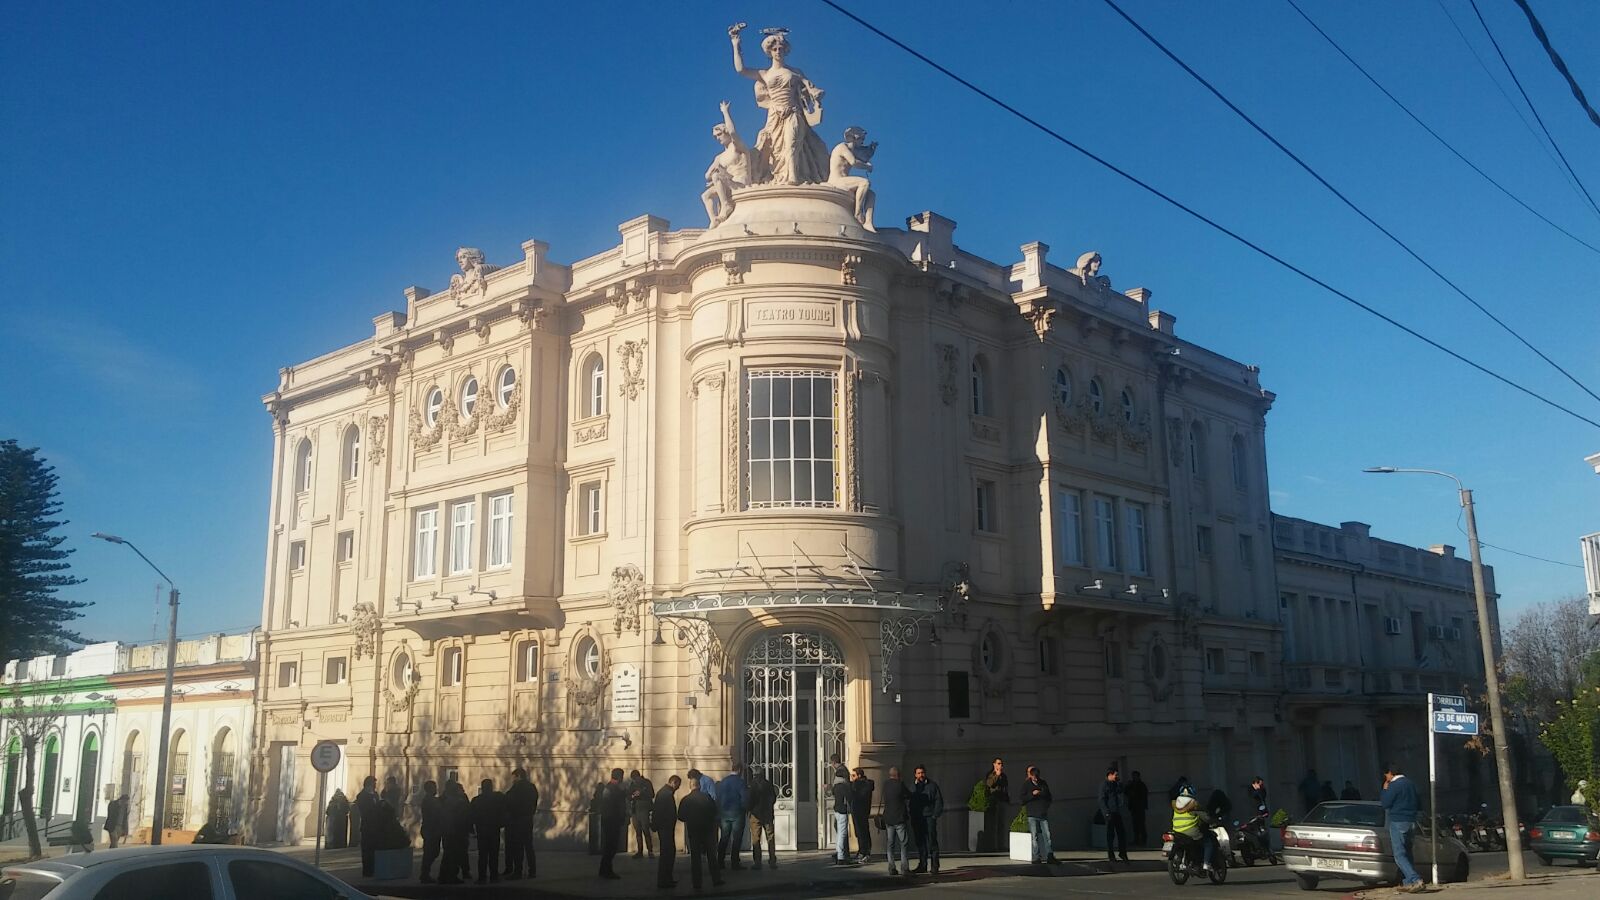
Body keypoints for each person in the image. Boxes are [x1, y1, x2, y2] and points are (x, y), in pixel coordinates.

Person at [728, 23, 828, 185]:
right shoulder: (764, 73)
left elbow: (810, 88)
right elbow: (741, 70)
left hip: (793, 111)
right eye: (774, 49)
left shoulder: (795, 72)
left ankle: (793, 177)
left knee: (792, 143)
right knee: (775, 148)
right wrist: (735, 43)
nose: (778, 51)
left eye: (781, 48)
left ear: (785, 50)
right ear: (769, 52)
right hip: (774, 114)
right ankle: (776, 175)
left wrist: (816, 94)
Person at [1381, 762, 1424, 893]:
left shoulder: (1394, 785)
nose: (1385, 777)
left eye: (1386, 775)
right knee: (1408, 852)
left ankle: (1415, 879)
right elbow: (1419, 802)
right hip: (1412, 821)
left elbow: (1385, 803)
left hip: (1398, 821)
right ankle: (1409, 882)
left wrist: (1384, 789)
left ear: (1390, 773)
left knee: (1399, 854)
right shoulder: (1410, 783)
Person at [826, 126, 878, 231]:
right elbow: (853, 162)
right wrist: (868, 166)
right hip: (836, 181)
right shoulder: (842, 147)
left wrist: (871, 149)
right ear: (854, 137)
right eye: (861, 139)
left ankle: (868, 222)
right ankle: (858, 214)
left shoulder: (852, 150)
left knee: (871, 194)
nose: (862, 142)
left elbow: (863, 156)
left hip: (844, 182)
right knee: (864, 182)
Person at [678, 774, 724, 889]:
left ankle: (697, 883)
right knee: (711, 856)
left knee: (695, 858)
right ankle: (716, 879)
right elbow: (714, 812)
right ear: (699, 786)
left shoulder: (686, 799)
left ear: (691, 786)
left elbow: (681, 816)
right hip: (708, 830)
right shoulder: (707, 798)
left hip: (694, 832)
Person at [1170, 786, 1219, 871]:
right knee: (1208, 843)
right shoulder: (1193, 805)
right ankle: (1206, 864)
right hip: (1191, 832)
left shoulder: (1176, 805)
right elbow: (1206, 818)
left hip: (1177, 831)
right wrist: (1214, 821)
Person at [503, 767, 538, 880]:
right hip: (528, 819)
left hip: (517, 820)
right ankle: (532, 871)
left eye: (513, 778)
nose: (512, 780)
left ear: (518, 776)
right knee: (528, 846)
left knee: (518, 847)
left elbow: (509, 800)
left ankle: (518, 871)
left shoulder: (517, 787)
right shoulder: (532, 787)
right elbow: (534, 802)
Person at [470, 778, 506, 884]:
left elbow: (471, 815)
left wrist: (472, 828)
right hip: (494, 829)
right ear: (491, 787)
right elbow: (504, 811)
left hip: (482, 830)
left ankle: (482, 877)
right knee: (493, 854)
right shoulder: (498, 798)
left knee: (483, 855)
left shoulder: (477, 800)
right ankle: (494, 876)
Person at [909, 765, 943, 874]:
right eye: (918, 773)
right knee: (920, 842)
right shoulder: (913, 787)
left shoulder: (932, 786)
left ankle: (935, 865)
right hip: (917, 818)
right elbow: (910, 803)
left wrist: (934, 815)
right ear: (915, 775)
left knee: (932, 841)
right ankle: (922, 865)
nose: (921, 775)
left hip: (929, 817)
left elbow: (938, 800)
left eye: (922, 773)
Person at [1022, 766, 1059, 864]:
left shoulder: (1043, 784)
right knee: (1034, 836)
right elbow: (1022, 798)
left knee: (1047, 835)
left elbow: (1048, 796)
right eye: (1034, 777)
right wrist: (1032, 794)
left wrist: (1044, 802)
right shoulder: (1026, 785)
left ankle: (1050, 856)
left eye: (1037, 777)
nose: (1036, 779)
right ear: (1030, 776)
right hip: (1032, 814)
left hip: (1042, 813)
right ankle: (1036, 856)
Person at [715, 763, 748, 870]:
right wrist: (745, 809)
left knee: (724, 837)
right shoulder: (740, 782)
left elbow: (718, 797)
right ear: (739, 770)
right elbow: (744, 798)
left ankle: (720, 861)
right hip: (737, 813)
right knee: (737, 838)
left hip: (724, 813)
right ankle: (734, 862)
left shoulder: (723, 782)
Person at [440, 781, 472, 885]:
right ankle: (450, 875)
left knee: (453, 854)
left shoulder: (454, 799)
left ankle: (446, 875)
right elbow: (461, 814)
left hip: (455, 830)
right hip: (454, 831)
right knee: (452, 854)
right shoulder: (452, 801)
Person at [598, 768, 627, 879]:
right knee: (611, 847)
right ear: (620, 777)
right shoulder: (613, 789)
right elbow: (614, 807)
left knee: (609, 847)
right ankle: (607, 871)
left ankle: (604, 869)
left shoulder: (609, 788)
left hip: (608, 821)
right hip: (612, 821)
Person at [653, 775, 681, 889]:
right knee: (667, 854)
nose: (678, 788)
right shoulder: (666, 794)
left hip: (664, 828)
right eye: (678, 786)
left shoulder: (663, 792)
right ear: (673, 783)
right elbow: (663, 813)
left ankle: (667, 878)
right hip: (665, 828)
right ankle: (664, 880)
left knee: (668, 853)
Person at [746, 766, 778, 869]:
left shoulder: (752, 785)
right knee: (770, 837)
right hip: (767, 814)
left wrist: (750, 810)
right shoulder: (768, 784)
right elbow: (773, 798)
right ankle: (772, 860)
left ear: (754, 774)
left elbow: (750, 800)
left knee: (756, 839)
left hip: (756, 815)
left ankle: (757, 862)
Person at [882, 766, 911, 876]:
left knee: (890, 844)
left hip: (888, 819)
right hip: (899, 818)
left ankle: (891, 867)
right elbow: (908, 795)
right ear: (898, 775)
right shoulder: (900, 784)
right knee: (903, 843)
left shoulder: (886, 785)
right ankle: (904, 868)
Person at [1099, 767, 1129, 863]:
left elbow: (1121, 791)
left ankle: (1122, 852)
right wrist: (1106, 812)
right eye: (1115, 775)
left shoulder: (1115, 784)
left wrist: (1120, 784)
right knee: (1110, 835)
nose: (1117, 776)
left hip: (1117, 812)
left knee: (1121, 833)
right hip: (1109, 813)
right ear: (1110, 775)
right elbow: (1102, 800)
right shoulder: (1104, 785)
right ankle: (1111, 854)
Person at [355, 776, 382, 877]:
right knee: (367, 850)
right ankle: (367, 871)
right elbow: (365, 810)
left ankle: (374, 869)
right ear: (368, 785)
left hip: (376, 826)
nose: (375, 787)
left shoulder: (375, 795)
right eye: (374, 784)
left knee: (374, 849)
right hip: (367, 826)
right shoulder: (362, 796)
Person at [418, 781, 443, 884]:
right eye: (434, 787)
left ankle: (425, 873)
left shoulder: (431, 800)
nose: (436, 789)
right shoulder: (429, 800)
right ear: (430, 789)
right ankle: (424, 874)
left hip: (432, 829)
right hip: (430, 829)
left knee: (433, 851)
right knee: (430, 852)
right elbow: (436, 812)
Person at [983, 758, 1010, 853]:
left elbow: (1005, 788)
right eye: (998, 763)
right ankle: (993, 846)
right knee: (993, 824)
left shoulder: (1004, 776)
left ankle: (1001, 845)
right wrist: (997, 776)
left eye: (1001, 764)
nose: (1000, 765)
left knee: (1002, 824)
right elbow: (990, 784)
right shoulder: (991, 774)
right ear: (994, 764)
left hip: (1002, 800)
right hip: (994, 801)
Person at [628, 770, 656, 859]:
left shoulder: (647, 783)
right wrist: (633, 796)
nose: (635, 781)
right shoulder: (632, 785)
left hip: (644, 809)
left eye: (635, 779)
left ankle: (650, 851)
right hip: (635, 810)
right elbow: (628, 796)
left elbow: (652, 794)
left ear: (639, 777)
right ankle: (640, 851)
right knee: (638, 831)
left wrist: (641, 793)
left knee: (646, 830)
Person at [850, 766, 875, 862]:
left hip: (861, 811)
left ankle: (865, 851)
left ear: (859, 775)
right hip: (859, 811)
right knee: (859, 832)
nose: (852, 778)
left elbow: (859, 796)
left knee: (862, 832)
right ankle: (862, 850)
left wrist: (854, 786)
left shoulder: (862, 785)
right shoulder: (861, 785)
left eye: (853, 775)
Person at [830, 770, 852, 865]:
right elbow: (849, 797)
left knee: (839, 833)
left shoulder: (835, 786)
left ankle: (839, 853)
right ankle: (841, 857)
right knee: (842, 834)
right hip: (843, 811)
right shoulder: (844, 786)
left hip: (836, 810)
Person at [1126, 771, 1149, 847]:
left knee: (1141, 824)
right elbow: (1126, 792)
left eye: (1135, 776)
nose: (1134, 778)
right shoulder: (1131, 784)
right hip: (1133, 807)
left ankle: (1143, 840)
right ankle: (1136, 840)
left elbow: (1143, 795)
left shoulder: (1141, 785)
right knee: (1135, 825)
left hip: (1140, 807)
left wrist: (1134, 794)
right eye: (1133, 776)